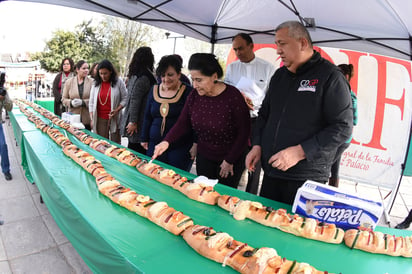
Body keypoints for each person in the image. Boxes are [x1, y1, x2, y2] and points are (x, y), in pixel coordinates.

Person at [245, 21, 353, 205]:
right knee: (265, 225)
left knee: (293, 230)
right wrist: (257, 145)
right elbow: (264, 114)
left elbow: (342, 128)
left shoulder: (330, 77)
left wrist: (300, 152)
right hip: (272, 170)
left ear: (302, 43)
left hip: (306, 176)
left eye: (282, 43)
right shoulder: (279, 76)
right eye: (276, 44)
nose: (277, 50)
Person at [152, 53, 250, 188]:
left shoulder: (233, 97)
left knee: (224, 197)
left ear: (214, 76)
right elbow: (182, 123)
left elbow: (244, 132)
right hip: (205, 156)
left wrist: (229, 160)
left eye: (199, 80)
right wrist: (166, 142)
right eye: (193, 79)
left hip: (230, 158)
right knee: (202, 193)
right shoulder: (194, 96)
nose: (195, 85)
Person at [225, 32, 276, 195]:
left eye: (241, 48)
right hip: (235, 120)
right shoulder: (232, 67)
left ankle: (250, 198)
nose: (238, 53)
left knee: (254, 163)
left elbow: (272, 97)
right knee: (234, 158)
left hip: (257, 121)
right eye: (235, 50)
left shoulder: (268, 68)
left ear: (251, 46)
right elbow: (226, 91)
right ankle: (228, 194)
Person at [141, 55, 194, 171]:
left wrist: (196, 144)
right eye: (163, 75)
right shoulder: (154, 89)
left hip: (180, 147)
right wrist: (144, 137)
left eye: (170, 75)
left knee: (175, 179)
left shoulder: (189, 92)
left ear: (179, 74)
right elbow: (147, 116)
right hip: (154, 145)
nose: (166, 79)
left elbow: (194, 120)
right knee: (152, 175)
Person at [120, 47, 157, 154]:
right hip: (139, 120)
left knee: (133, 148)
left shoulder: (135, 74)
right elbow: (135, 100)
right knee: (136, 150)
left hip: (136, 118)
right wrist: (133, 121)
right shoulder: (145, 77)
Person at [329, 64, 358, 187]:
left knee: (325, 166)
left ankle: (320, 193)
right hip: (339, 138)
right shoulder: (343, 92)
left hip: (341, 139)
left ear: (345, 76)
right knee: (334, 167)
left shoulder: (349, 97)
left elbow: (354, 121)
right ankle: (333, 191)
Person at [89, 59, 127, 143]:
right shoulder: (95, 83)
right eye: (101, 73)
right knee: (101, 143)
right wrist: (92, 118)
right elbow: (91, 102)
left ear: (111, 72)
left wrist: (117, 110)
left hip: (115, 119)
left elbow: (125, 98)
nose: (103, 76)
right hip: (100, 118)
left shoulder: (119, 81)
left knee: (115, 144)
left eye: (105, 73)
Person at [61, 60, 93, 130]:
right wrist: (71, 103)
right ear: (77, 70)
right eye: (84, 68)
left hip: (86, 119)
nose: (86, 70)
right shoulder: (69, 82)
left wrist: (83, 102)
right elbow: (63, 99)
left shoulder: (92, 82)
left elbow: (94, 100)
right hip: (73, 118)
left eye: (87, 68)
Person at [0, 87, 13, 180]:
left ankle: (6, 170)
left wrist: (3, 98)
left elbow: (9, 108)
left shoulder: (2, 90)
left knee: (3, 145)